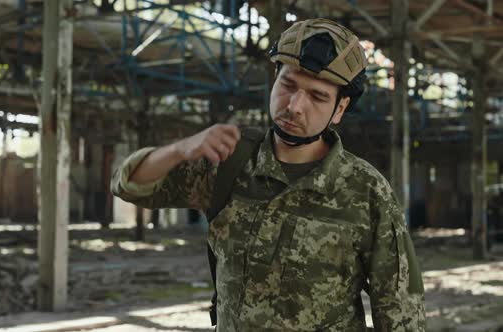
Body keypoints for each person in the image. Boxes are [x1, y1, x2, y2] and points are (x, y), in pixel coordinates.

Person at [112, 18, 426, 331]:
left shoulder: (366, 190)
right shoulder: (228, 162)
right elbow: (129, 185)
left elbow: (400, 309)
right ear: (274, 79)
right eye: (288, 85)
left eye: (317, 97)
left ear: (340, 109)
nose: (295, 106)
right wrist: (181, 149)